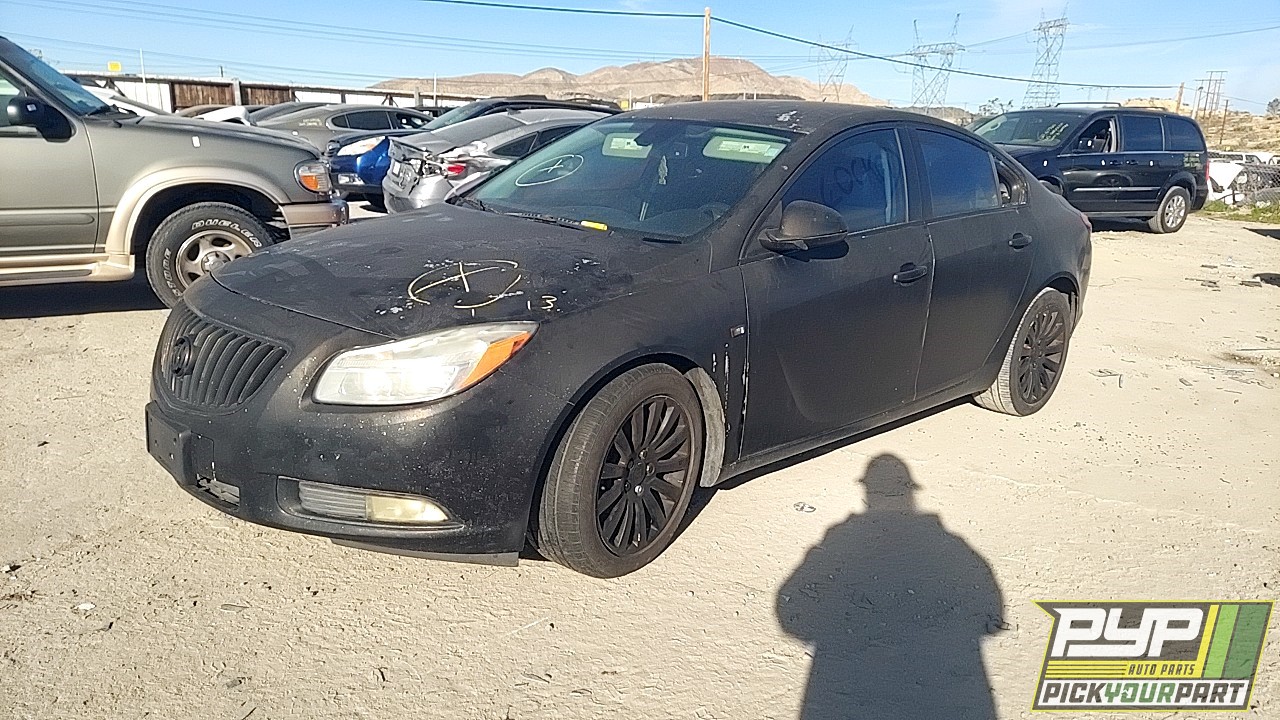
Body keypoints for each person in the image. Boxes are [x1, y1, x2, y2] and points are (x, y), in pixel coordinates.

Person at [777, 454, 1005, 719]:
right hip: (938, 689)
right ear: (910, 492)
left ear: (867, 490)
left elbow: (789, 606)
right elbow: (993, 612)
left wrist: (822, 633)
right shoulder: (953, 546)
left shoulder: (840, 538)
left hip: (850, 686)